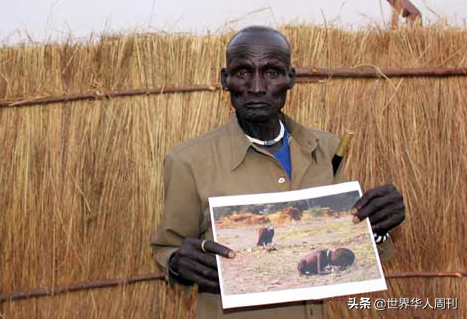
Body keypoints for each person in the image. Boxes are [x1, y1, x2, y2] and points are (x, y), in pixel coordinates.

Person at [151, 26, 405, 319]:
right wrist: (176, 263)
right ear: (225, 80)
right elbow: (167, 249)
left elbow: (344, 240)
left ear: (291, 79)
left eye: (271, 72)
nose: (257, 86)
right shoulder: (189, 161)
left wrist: (380, 229)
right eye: (244, 72)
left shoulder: (326, 150)